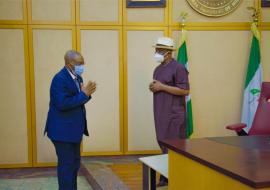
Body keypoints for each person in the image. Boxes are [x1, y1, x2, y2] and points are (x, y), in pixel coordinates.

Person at [44, 50, 96, 190]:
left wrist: (86, 94)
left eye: (83, 62)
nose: (82, 66)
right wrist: (84, 94)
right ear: (68, 64)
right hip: (62, 132)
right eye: (79, 63)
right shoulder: (59, 79)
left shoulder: (78, 78)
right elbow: (62, 104)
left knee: (74, 165)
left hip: (73, 131)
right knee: (66, 167)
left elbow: (78, 100)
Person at [149, 37, 190, 186]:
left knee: (173, 146)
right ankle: (167, 175)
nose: (156, 52)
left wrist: (162, 87)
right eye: (156, 49)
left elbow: (185, 90)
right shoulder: (158, 69)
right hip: (160, 112)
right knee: (163, 143)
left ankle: (173, 177)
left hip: (174, 115)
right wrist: (153, 87)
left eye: (159, 50)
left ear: (168, 53)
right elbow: (158, 86)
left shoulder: (178, 68)